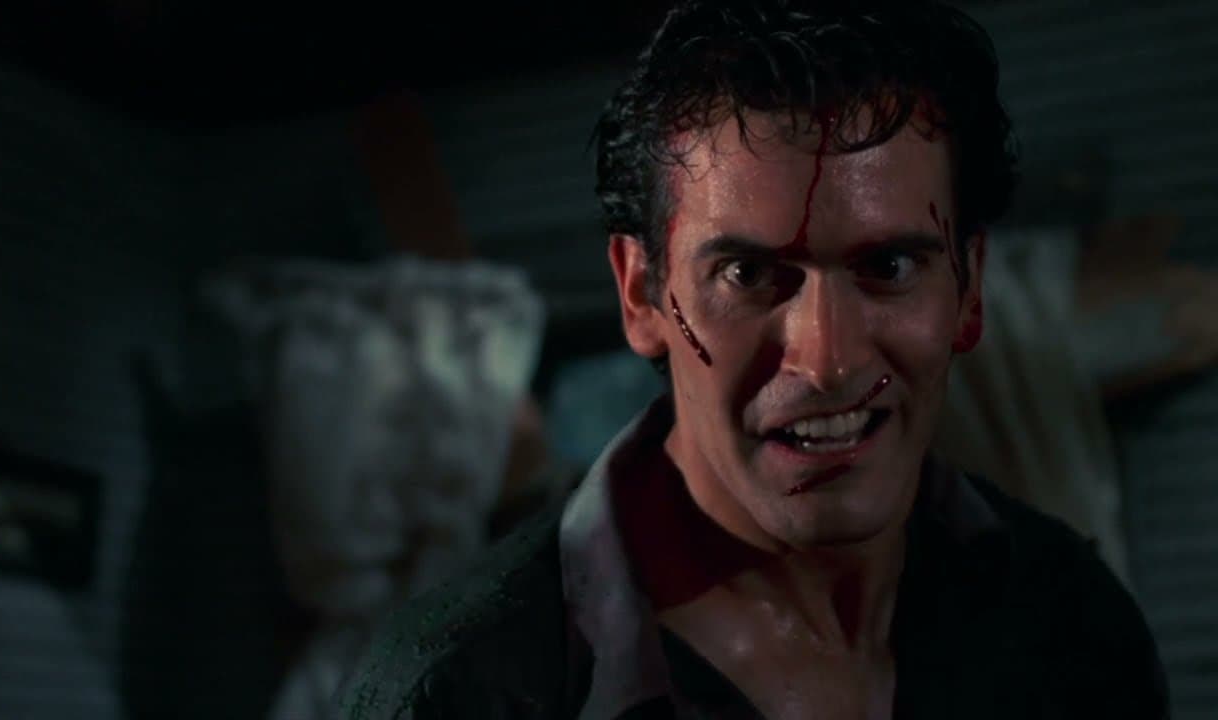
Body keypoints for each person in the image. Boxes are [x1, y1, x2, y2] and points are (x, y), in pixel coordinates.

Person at [337, 1, 1170, 717]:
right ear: (642, 295)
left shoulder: (1071, 621)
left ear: (970, 286)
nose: (828, 360)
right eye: (747, 274)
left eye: (890, 266)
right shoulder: (467, 692)